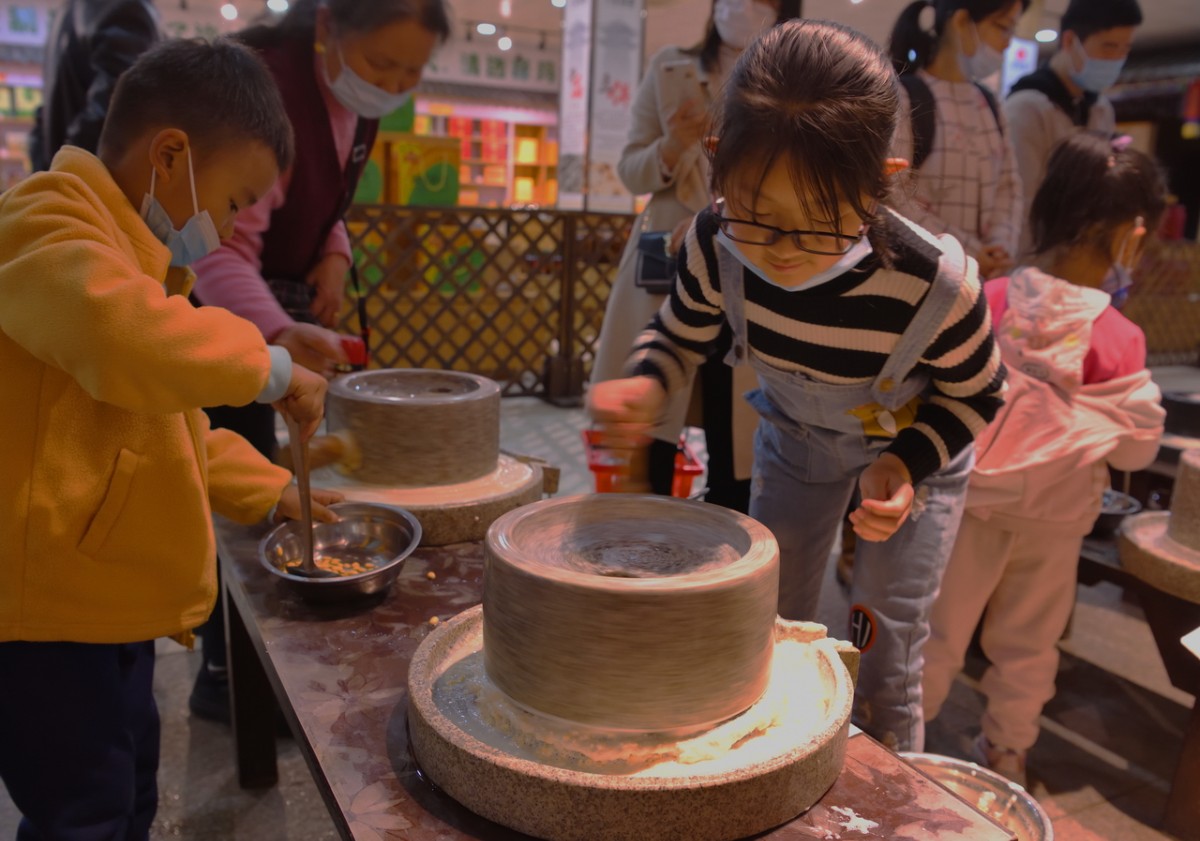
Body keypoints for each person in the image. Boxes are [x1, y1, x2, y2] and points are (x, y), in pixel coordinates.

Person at [589, 20, 1006, 752]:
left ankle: (892, 786)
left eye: (819, 223)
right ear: (719, 163)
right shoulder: (716, 243)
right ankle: (770, 764)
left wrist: (906, 463)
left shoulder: (935, 285)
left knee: (883, 644)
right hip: (796, 438)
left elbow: (979, 393)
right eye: (757, 213)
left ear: (880, 182)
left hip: (912, 458)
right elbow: (678, 334)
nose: (781, 251)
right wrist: (648, 383)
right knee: (769, 617)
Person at [0, 37, 342, 838]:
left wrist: (276, 491)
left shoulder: (137, 264)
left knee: (128, 796)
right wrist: (271, 367)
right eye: (232, 202)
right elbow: (121, 336)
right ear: (170, 156)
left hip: (106, 604)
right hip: (43, 616)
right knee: (82, 812)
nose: (227, 229)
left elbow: (177, 429)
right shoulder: (44, 221)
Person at [187, 0, 451, 723]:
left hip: (270, 318)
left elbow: (326, 198)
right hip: (221, 319)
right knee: (233, 495)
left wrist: (335, 252)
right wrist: (276, 334)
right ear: (329, 26)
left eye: (410, 73)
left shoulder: (351, 100)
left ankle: (251, 669)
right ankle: (227, 675)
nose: (391, 85)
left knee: (262, 477)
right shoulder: (266, 89)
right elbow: (218, 246)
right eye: (381, 64)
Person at [922, 132, 1166, 786]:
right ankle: (1007, 751)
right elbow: (1137, 444)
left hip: (969, 504)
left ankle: (898, 738)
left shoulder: (993, 297)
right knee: (1030, 645)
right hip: (1055, 519)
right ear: (1131, 235)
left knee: (937, 631)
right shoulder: (1119, 336)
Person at [590, 0, 798, 511]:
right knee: (654, 417)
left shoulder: (791, 81)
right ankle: (643, 529)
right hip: (669, 259)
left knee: (737, 427)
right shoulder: (671, 68)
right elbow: (631, 171)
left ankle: (726, 538)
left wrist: (725, 216)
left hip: (754, 262)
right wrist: (673, 144)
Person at [888, 0, 1026, 281]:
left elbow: (1009, 186)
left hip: (978, 281)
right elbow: (893, 193)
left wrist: (1000, 246)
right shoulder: (906, 96)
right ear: (961, 22)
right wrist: (969, 251)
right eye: (1002, 27)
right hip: (922, 277)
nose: (1007, 43)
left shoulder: (990, 104)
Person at [1006, 0, 1143, 259]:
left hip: (1080, 258)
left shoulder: (1100, 108)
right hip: (1032, 258)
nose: (1116, 59)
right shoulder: (1028, 107)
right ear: (1070, 41)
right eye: (1108, 46)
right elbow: (1021, 203)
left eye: (1124, 49)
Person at [30, 0, 161, 171]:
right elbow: (120, 98)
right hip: (89, 174)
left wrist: (56, 169)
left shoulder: (75, 11)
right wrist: (68, 165)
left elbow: (120, 91)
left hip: (75, 172)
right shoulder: (116, 6)